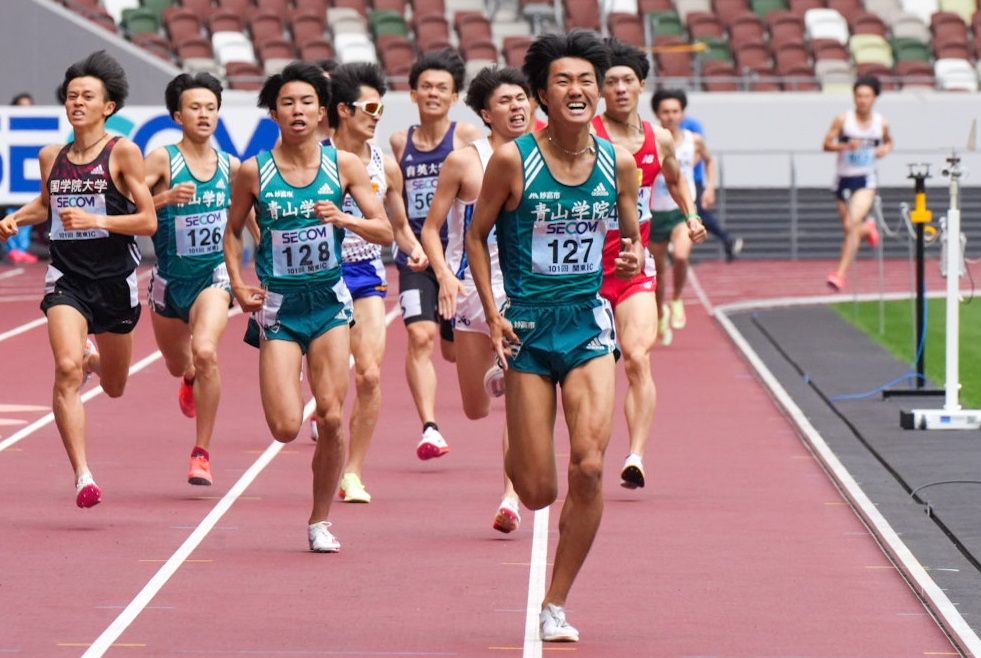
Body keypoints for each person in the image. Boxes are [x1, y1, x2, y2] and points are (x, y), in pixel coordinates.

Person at [467, 31, 648, 642]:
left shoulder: (617, 162)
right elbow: (475, 238)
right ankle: (510, 391)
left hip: (586, 324)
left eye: (587, 82)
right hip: (526, 329)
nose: (578, 91)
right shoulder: (514, 158)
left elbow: (630, 238)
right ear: (543, 93)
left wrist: (629, 260)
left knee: (591, 466)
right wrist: (491, 315)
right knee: (539, 490)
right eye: (564, 82)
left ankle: (556, 602)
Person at [223, 62, 392, 552]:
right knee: (285, 427)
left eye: (307, 103)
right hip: (279, 307)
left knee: (334, 417)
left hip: (329, 304)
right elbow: (232, 233)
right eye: (287, 103)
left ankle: (320, 520)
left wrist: (345, 217)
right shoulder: (254, 171)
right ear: (274, 112)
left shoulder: (345, 166)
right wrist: (237, 282)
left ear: (323, 112)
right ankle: (290, 371)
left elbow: (383, 230)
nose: (298, 111)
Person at [0, 51, 156, 507]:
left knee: (114, 384)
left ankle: (95, 361)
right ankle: (83, 475)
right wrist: (16, 221)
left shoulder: (122, 151)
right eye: (71, 96)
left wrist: (98, 219)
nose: (77, 103)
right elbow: (46, 207)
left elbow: (147, 221)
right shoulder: (54, 155)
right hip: (66, 277)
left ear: (108, 106)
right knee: (65, 368)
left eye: (88, 96)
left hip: (115, 280)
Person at [420, 66, 532, 533]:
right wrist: (444, 274)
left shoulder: (546, 155)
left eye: (522, 98)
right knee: (474, 408)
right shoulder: (464, 162)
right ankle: (495, 373)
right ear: (486, 114)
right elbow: (430, 229)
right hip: (468, 291)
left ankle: (510, 497)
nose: (517, 107)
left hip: (521, 291)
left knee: (520, 397)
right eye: (505, 101)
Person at [592, 40, 705, 488]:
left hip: (635, 264)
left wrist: (692, 214)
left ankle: (636, 454)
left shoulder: (658, 138)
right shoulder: (585, 134)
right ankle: (588, 450)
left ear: (641, 86)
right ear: (601, 89)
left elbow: (676, 180)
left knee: (638, 357)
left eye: (627, 81)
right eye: (611, 82)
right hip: (585, 268)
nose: (619, 89)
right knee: (595, 367)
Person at [324, 62, 428, 502]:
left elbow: (397, 223)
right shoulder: (316, 157)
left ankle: (353, 473)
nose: (377, 114)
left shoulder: (385, 163)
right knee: (330, 389)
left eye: (381, 106)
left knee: (368, 375)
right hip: (317, 277)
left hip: (366, 272)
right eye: (370, 106)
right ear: (344, 110)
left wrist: (414, 247)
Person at [143, 72, 246, 487]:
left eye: (210, 107)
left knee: (206, 351)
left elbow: (248, 219)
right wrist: (164, 198)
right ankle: (187, 379)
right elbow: (131, 212)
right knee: (178, 364)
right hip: (168, 281)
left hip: (212, 277)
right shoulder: (161, 160)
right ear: (177, 115)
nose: (204, 114)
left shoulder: (231, 165)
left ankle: (201, 453)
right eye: (195, 108)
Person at [389, 50, 483, 461]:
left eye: (441, 88)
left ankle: (457, 335)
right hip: (416, 256)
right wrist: (408, 244)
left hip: (458, 258)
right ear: (412, 94)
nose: (433, 93)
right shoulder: (399, 142)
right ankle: (430, 427)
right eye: (425, 86)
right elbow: (397, 200)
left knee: (450, 348)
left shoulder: (466, 137)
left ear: (454, 96)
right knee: (419, 336)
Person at [649, 88, 710, 346]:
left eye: (675, 111)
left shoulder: (692, 140)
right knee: (659, 272)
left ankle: (676, 299)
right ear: (657, 114)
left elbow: (708, 160)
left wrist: (710, 188)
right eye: (665, 112)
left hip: (681, 211)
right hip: (654, 213)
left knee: (682, 255)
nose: (670, 116)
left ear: (682, 113)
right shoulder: (650, 139)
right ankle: (660, 311)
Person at [822, 74, 891, 292]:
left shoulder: (881, 123)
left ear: (875, 98)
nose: (862, 100)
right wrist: (845, 146)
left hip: (865, 180)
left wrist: (883, 151)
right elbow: (826, 144)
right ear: (854, 97)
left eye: (867, 96)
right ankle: (867, 228)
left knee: (851, 224)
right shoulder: (843, 120)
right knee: (849, 227)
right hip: (843, 180)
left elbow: (889, 142)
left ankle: (840, 274)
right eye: (859, 96)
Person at [680, 114, 742, 262]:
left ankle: (727, 239)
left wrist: (682, 168)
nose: (670, 115)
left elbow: (701, 153)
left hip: (693, 180)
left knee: (696, 212)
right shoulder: (661, 131)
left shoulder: (693, 126)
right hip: (669, 182)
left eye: (675, 111)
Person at [4, 93, 40, 264]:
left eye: (28, 107)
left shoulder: (36, 129)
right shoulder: (7, 128)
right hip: (13, 180)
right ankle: (12, 249)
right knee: (13, 213)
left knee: (28, 214)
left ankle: (21, 249)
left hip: (27, 181)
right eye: (21, 107)